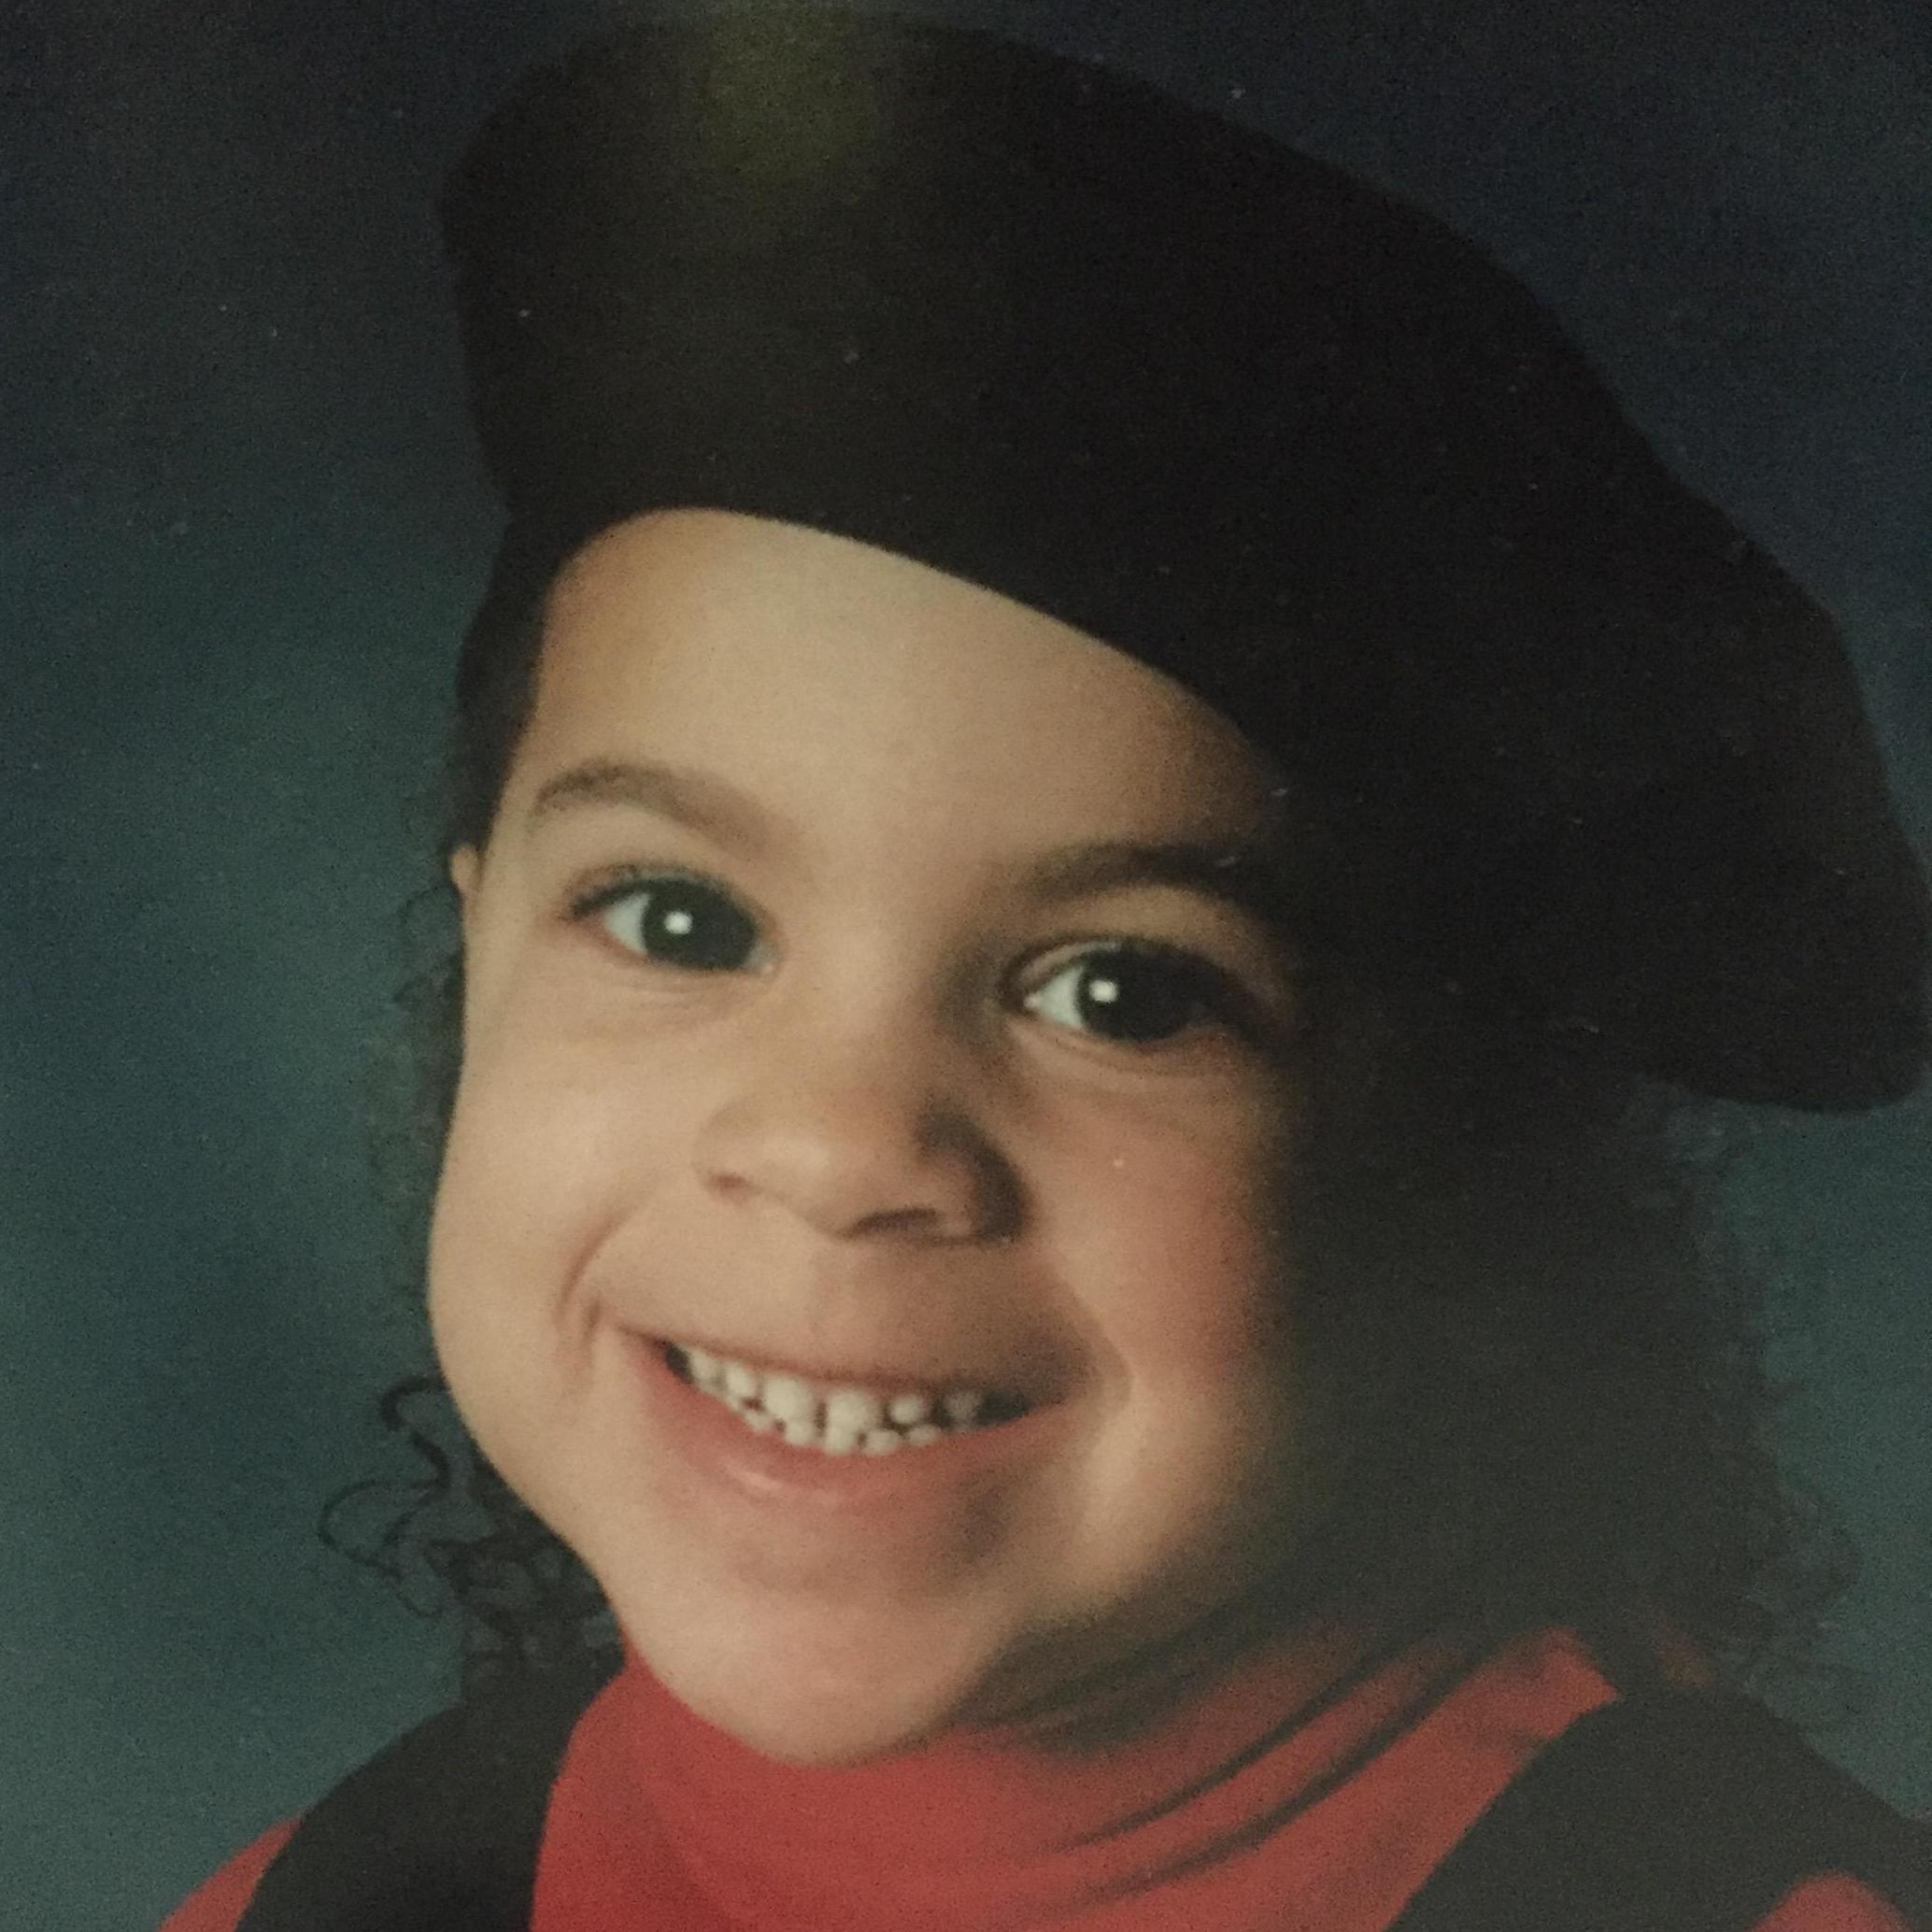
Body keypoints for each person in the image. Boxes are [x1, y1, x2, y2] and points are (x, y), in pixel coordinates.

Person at [162, 10, 1931, 1929]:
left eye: (1122, 992)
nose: (842, 1145)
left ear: (1456, 1169)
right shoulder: (313, 1902)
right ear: (480, 943)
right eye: (682, 920)